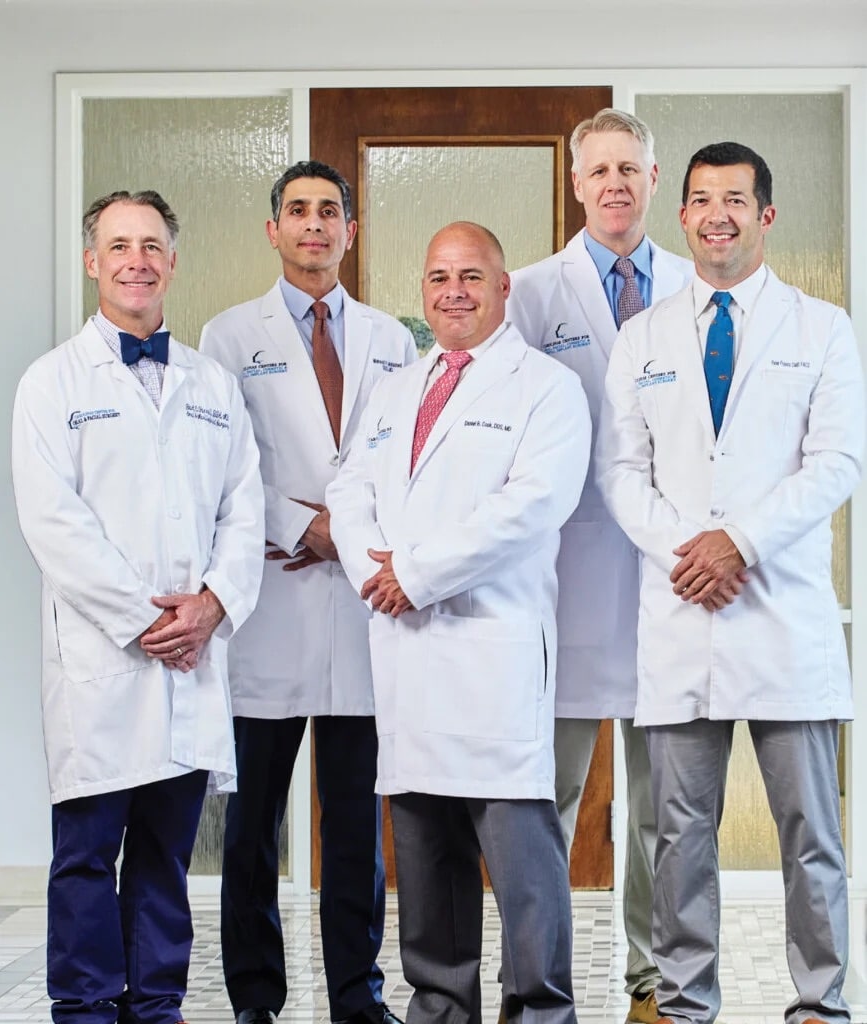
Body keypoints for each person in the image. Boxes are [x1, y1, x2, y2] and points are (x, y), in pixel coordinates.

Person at [597, 141, 864, 1024]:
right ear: (681, 216)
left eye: (736, 199)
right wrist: (693, 551)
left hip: (781, 613)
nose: (718, 213)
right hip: (683, 613)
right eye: (702, 199)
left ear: (765, 216)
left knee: (811, 837)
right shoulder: (641, 337)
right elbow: (619, 474)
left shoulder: (820, 327)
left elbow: (836, 463)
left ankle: (821, 1003)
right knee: (678, 838)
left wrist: (738, 543)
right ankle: (680, 1003)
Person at [327, 221, 591, 1024]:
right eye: (439, 276)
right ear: (423, 291)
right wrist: (372, 569)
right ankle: (440, 1008)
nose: (454, 291)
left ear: (503, 287)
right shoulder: (397, 388)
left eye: (471, 276)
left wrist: (414, 573)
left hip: (491, 654)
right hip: (405, 654)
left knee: (520, 863)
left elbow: (532, 506)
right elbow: (348, 489)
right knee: (426, 850)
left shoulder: (544, 387)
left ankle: (540, 1011)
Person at [11, 190, 265, 1024]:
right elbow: (54, 522)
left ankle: (156, 1005)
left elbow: (244, 507)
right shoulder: (51, 383)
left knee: (164, 853)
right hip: (103, 664)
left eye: (151, 244)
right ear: (93, 261)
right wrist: (146, 620)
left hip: (190, 657)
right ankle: (84, 1009)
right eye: (119, 244)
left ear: (171, 260)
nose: (136, 260)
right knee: (87, 854)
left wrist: (212, 605)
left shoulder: (211, 382)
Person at [200, 160, 416, 1024]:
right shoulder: (226, 337)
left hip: (360, 606)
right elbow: (222, 468)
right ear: (274, 230)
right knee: (251, 826)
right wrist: (307, 527)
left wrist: (349, 533)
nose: (314, 225)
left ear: (351, 231)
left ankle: (356, 996)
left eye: (330, 212)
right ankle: (255, 996)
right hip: (271, 606)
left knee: (355, 825)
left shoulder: (393, 338)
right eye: (298, 211)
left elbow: (400, 460)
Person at [506, 108, 692, 1024]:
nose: (615, 184)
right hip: (564, 581)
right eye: (599, 171)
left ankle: (651, 985)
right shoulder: (532, 294)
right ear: (575, 185)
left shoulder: (698, 287)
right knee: (543, 797)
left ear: (653, 180)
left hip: (668, 577)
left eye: (630, 168)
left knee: (664, 808)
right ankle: (532, 983)